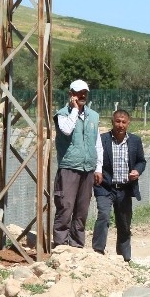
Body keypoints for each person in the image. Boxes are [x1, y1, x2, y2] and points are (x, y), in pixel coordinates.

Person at [92, 109, 146, 262]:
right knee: (103, 215)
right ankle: (98, 251)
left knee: (124, 223)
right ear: (112, 122)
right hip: (105, 187)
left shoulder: (135, 141)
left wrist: (137, 170)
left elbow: (141, 161)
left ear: (128, 123)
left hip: (125, 189)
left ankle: (124, 257)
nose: (120, 125)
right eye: (117, 121)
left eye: (123, 122)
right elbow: (94, 158)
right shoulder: (102, 140)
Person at [54, 79, 102, 248]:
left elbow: (97, 143)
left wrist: (98, 167)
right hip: (69, 167)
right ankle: (61, 246)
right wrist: (74, 110)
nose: (82, 95)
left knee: (82, 210)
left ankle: (77, 246)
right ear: (71, 94)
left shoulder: (93, 116)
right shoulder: (62, 114)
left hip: (87, 168)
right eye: (78, 92)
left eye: (84, 93)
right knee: (65, 208)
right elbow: (66, 130)